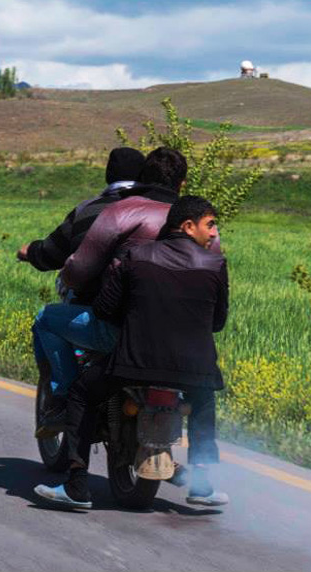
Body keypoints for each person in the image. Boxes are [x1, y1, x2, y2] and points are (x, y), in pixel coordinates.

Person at [34, 195, 230, 510]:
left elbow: (105, 309)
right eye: (211, 224)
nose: (214, 233)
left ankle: (76, 485)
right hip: (195, 370)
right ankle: (202, 485)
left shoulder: (137, 256)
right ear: (188, 226)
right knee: (204, 401)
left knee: (81, 394)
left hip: (135, 362)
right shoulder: (216, 265)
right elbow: (218, 322)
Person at [31, 147, 188, 421]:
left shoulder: (115, 212)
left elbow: (76, 267)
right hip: (179, 338)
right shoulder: (195, 222)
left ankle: (63, 396)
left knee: (46, 319)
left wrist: (60, 271)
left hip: (118, 326)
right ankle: (202, 456)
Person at [17, 147, 145, 271]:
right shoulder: (161, 208)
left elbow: (53, 254)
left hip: (97, 290)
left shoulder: (87, 209)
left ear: (108, 175)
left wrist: (32, 251)